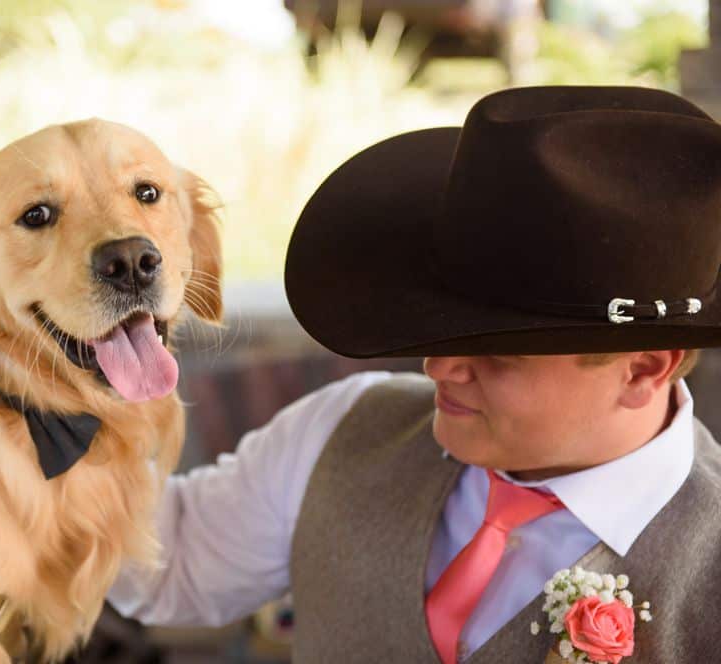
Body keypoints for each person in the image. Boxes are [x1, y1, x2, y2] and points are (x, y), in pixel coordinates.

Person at [108, 85, 721, 663]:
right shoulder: (343, 430)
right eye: (446, 331)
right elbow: (160, 566)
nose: (438, 366)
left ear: (643, 368)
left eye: (500, 350)